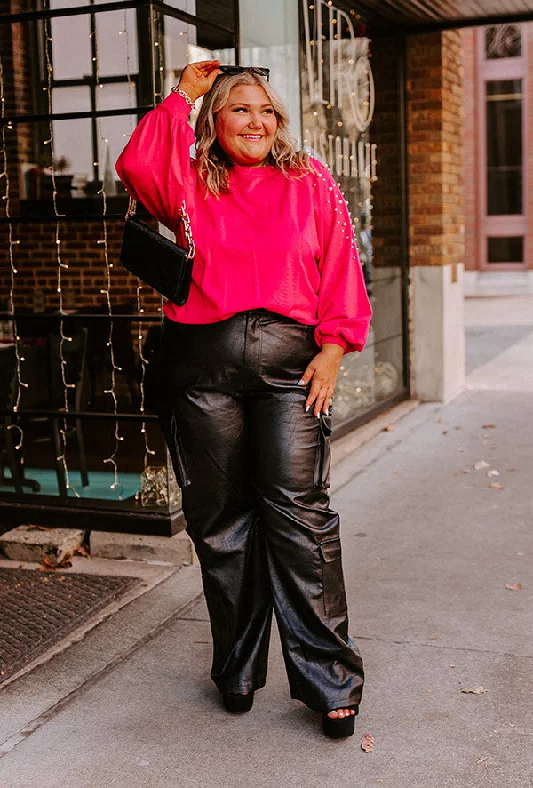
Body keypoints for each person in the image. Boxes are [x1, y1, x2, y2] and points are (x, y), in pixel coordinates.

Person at [116, 60, 372, 739]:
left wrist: (334, 347)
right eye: (238, 110)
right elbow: (136, 162)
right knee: (220, 523)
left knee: (300, 518)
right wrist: (180, 93)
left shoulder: (307, 179)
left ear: (277, 121)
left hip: (292, 370)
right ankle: (237, 667)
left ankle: (328, 680)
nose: (255, 121)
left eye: (265, 110)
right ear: (215, 121)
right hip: (198, 371)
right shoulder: (190, 181)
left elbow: (340, 260)